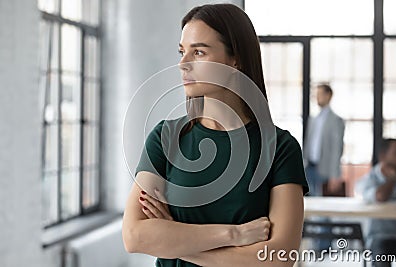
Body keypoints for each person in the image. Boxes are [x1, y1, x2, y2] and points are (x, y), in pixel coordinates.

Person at [122, 4, 309, 267]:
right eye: (181, 51)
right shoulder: (165, 138)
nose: (183, 63)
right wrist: (235, 235)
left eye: (198, 52)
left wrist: (173, 238)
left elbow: (279, 259)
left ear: (236, 59)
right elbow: (134, 237)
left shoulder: (279, 148)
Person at [356, 138, 396, 267]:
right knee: (381, 256)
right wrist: (392, 179)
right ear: (383, 156)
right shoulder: (369, 179)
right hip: (380, 236)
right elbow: (380, 196)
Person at [303, 84, 345, 197]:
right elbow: (307, 144)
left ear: (329, 95)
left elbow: (337, 149)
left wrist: (335, 175)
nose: (317, 97)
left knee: (323, 204)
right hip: (309, 168)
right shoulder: (313, 119)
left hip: (324, 170)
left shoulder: (336, 121)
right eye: (316, 95)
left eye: (320, 94)